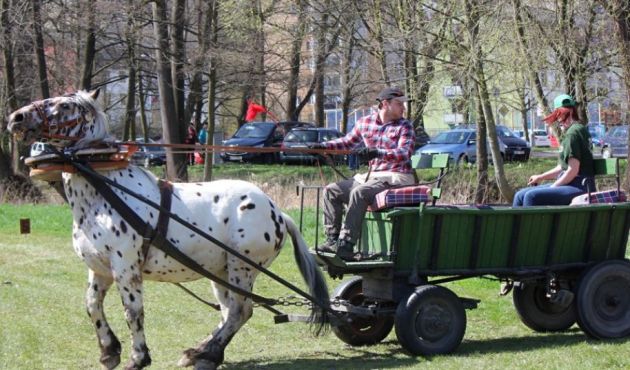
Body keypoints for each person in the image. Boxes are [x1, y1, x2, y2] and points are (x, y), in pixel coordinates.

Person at [312, 87, 416, 261]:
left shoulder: (405, 127)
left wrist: (377, 152)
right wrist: (323, 146)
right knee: (332, 190)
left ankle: (346, 245)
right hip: (374, 177)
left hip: (398, 177)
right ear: (385, 104)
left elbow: (404, 153)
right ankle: (332, 241)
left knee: (360, 192)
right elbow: (346, 143)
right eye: (399, 104)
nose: (403, 108)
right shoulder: (365, 122)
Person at [512, 94, 595, 207]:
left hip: (580, 186)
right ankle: (516, 225)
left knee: (531, 196)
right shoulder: (578, 129)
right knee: (520, 195)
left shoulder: (573, 134)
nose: (558, 120)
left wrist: (554, 186)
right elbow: (562, 167)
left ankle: (530, 224)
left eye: (559, 116)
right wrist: (541, 177)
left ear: (570, 112)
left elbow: (573, 170)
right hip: (573, 183)